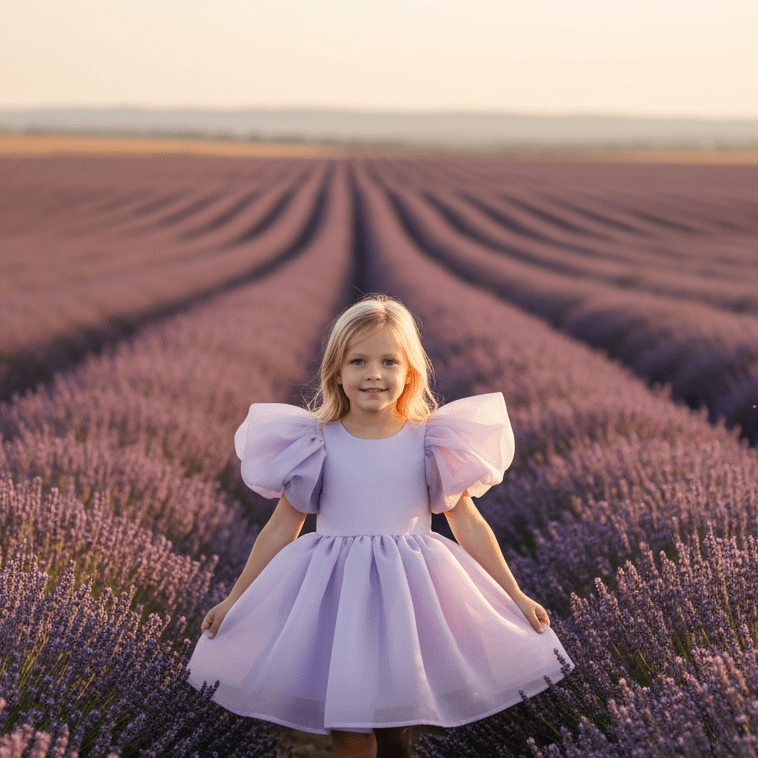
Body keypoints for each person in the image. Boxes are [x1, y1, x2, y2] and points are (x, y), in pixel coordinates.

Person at [186, 293, 574, 758]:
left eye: (389, 361)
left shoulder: (431, 440)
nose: (374, 374)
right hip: (335, 597)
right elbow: (279, 529)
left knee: (396, 728)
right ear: (337, 371)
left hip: (408, 598)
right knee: (348, 726)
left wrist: (516, 595)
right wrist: (235, 599)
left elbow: (468, 525)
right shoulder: (314, 442)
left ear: (409, 371)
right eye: (358, 361)